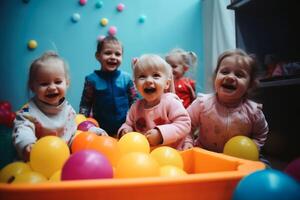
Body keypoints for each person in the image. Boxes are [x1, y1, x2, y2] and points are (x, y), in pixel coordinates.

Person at [183, 49, 269, 160]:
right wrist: (188, 142)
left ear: (250, 84)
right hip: (205, 154)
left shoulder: (253, 111)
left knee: (265, 166)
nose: (230, 77)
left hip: (238, 159)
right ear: (215, 77)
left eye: (239, 75)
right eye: (224, 72)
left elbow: (261, 133)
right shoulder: (202, 103)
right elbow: (186, 124)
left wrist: (253, 147)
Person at [12, 51, 77, 161]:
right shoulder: (28, 112)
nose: (52, 87)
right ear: (33, 87)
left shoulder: (68, 110)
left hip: (62, 160)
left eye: (57, 82)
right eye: (44, 84)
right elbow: (23, 128)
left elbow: (73, 134)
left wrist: (92, 132)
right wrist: (27, 144)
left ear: (67, 83)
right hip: (37, 160)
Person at [117, 54, 191, 150]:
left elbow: (184, 124)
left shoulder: (171, 102)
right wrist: (125, 130)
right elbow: (128, 124)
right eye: (142, 76)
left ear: (167, 83)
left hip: (172, 153)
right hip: (145, 155)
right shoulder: (135, 107)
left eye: (156, 76)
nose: (148, 81)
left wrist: (161, 134)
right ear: (135, 85)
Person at [79, 36, 137, 137]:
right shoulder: (91, 80)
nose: (113, 57)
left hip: (125, 128)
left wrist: (134, 123)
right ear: (98, 56)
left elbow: (134, 101)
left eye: (117, 54)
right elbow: (85, 104)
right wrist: (83, 123)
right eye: (108, 53)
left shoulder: (127, 78)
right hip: (101, 130)